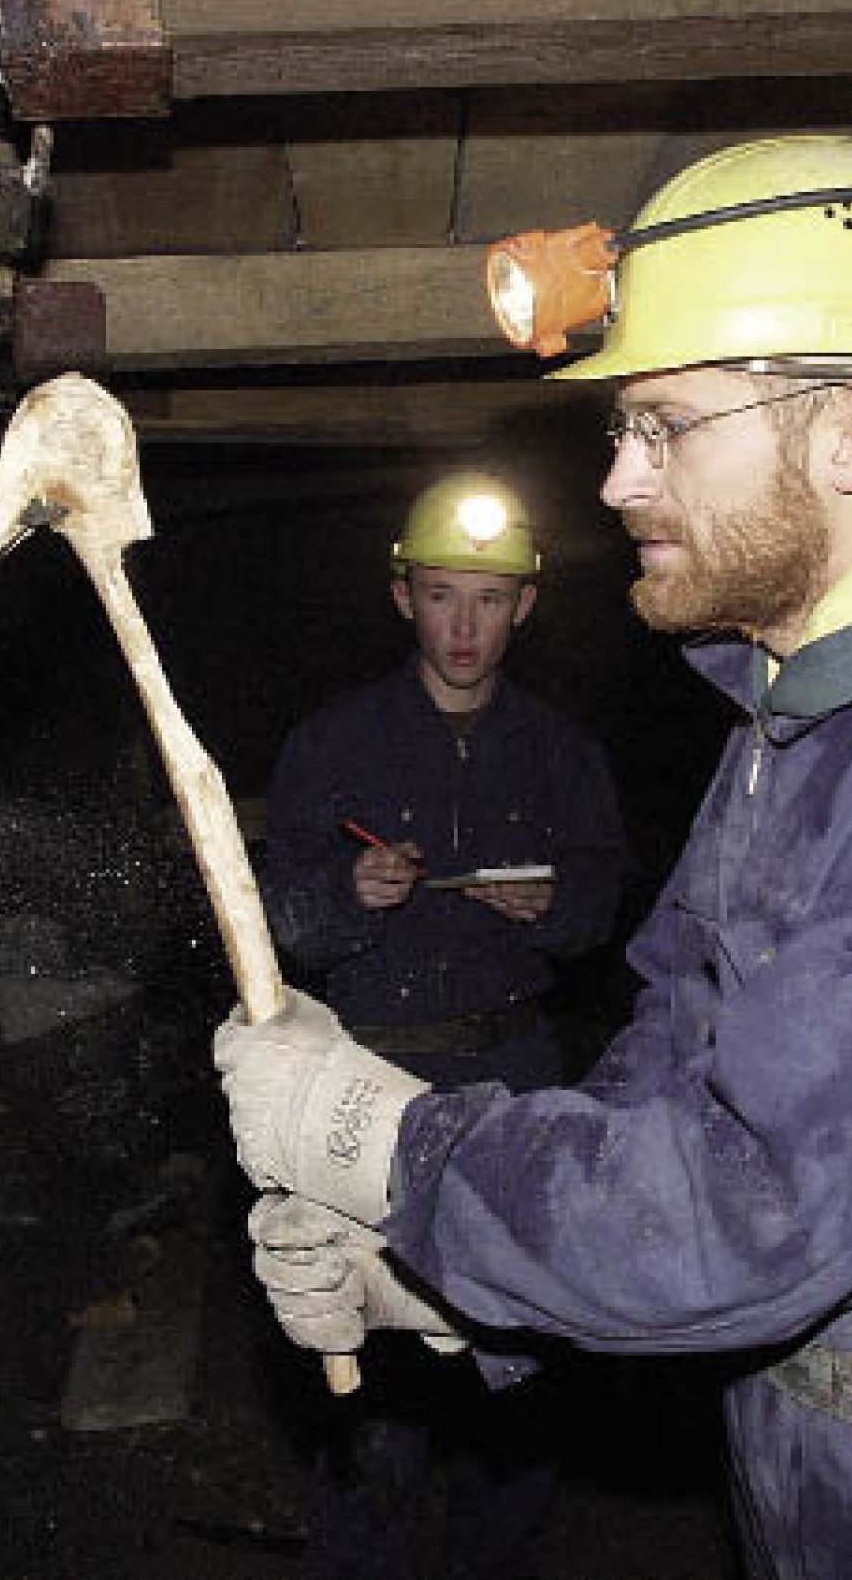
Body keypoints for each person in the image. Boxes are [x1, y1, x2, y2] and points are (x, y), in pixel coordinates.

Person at [219, 136, 852, 1580]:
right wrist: (442, 1278)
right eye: (621, 427)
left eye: (666, 424)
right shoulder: (803, 720)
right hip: (821, 1451)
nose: (617, 479)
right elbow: (676, 1053)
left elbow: (761, 1201)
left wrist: (389, 1146)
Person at [255, 472, 629, 1580]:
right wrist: (347, 894)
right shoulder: (333, 744)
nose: (464, 627)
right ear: (402, 598)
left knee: (517, 1360)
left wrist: (555, 902)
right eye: (440, 596)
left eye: (489, 600)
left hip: (513, 1082)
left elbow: (603, 904)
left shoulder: (560, 752)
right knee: (371, 1381)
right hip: (367, 1090)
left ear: (525, 608)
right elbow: (277, 924)